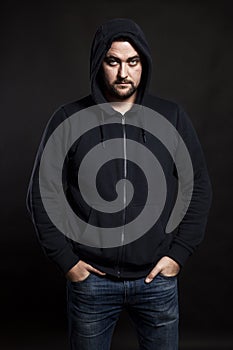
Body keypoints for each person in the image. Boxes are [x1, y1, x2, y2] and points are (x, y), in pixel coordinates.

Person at [27, 18, 212, 350]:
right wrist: (67, 262)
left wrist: (178, 255)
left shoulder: (171, 117)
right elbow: (43, 192)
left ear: (144, 65)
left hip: (156, 280)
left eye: (132, 62)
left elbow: (197, 186)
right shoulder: (68, 119)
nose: (123, 73)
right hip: (92, 282)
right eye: (113, 61)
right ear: (100, 63)